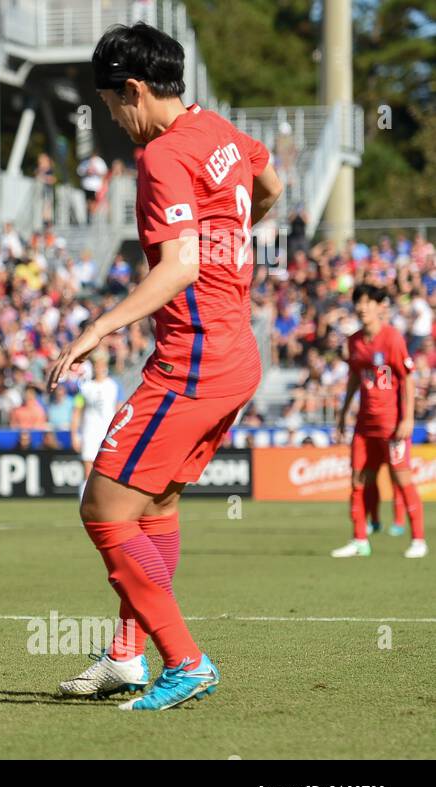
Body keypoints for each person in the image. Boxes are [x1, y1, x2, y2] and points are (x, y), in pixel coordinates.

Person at [47, 23, 283, 710]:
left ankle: (184, 660)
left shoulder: (162, 155)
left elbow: (180, 266)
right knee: (155, 504)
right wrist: (234, 237)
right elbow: (269, 182)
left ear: (135, 89)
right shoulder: (221, 132)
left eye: (112, 105)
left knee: (104, 507)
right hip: (234, 352)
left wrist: (98, 326)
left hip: (194, 361)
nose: (116, 120)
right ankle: (127, 653)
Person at [331, 284, 426, 559]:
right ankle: (360, 539)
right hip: (364, 425)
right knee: (358, 479)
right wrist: (343, 412)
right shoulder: (355, 341)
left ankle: (418, 539)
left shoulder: (393, 339)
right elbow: (352, 379)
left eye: (366, 302)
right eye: (357, 302)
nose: (361, 307)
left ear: (378, 305)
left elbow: (407, 379)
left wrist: (408, 418)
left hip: (392, 425)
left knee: (402, 477)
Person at [69, 349, 119, 499]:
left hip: (109, 434)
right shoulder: (84, 388)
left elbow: (119, 409)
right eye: (97, 364)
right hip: (89, 432)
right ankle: (85, 510)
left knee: (109, 472)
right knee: (88, 472)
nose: (100, 367)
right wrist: (74, 435)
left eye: (102, 364)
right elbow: (77, 412)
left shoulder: (114, 386)